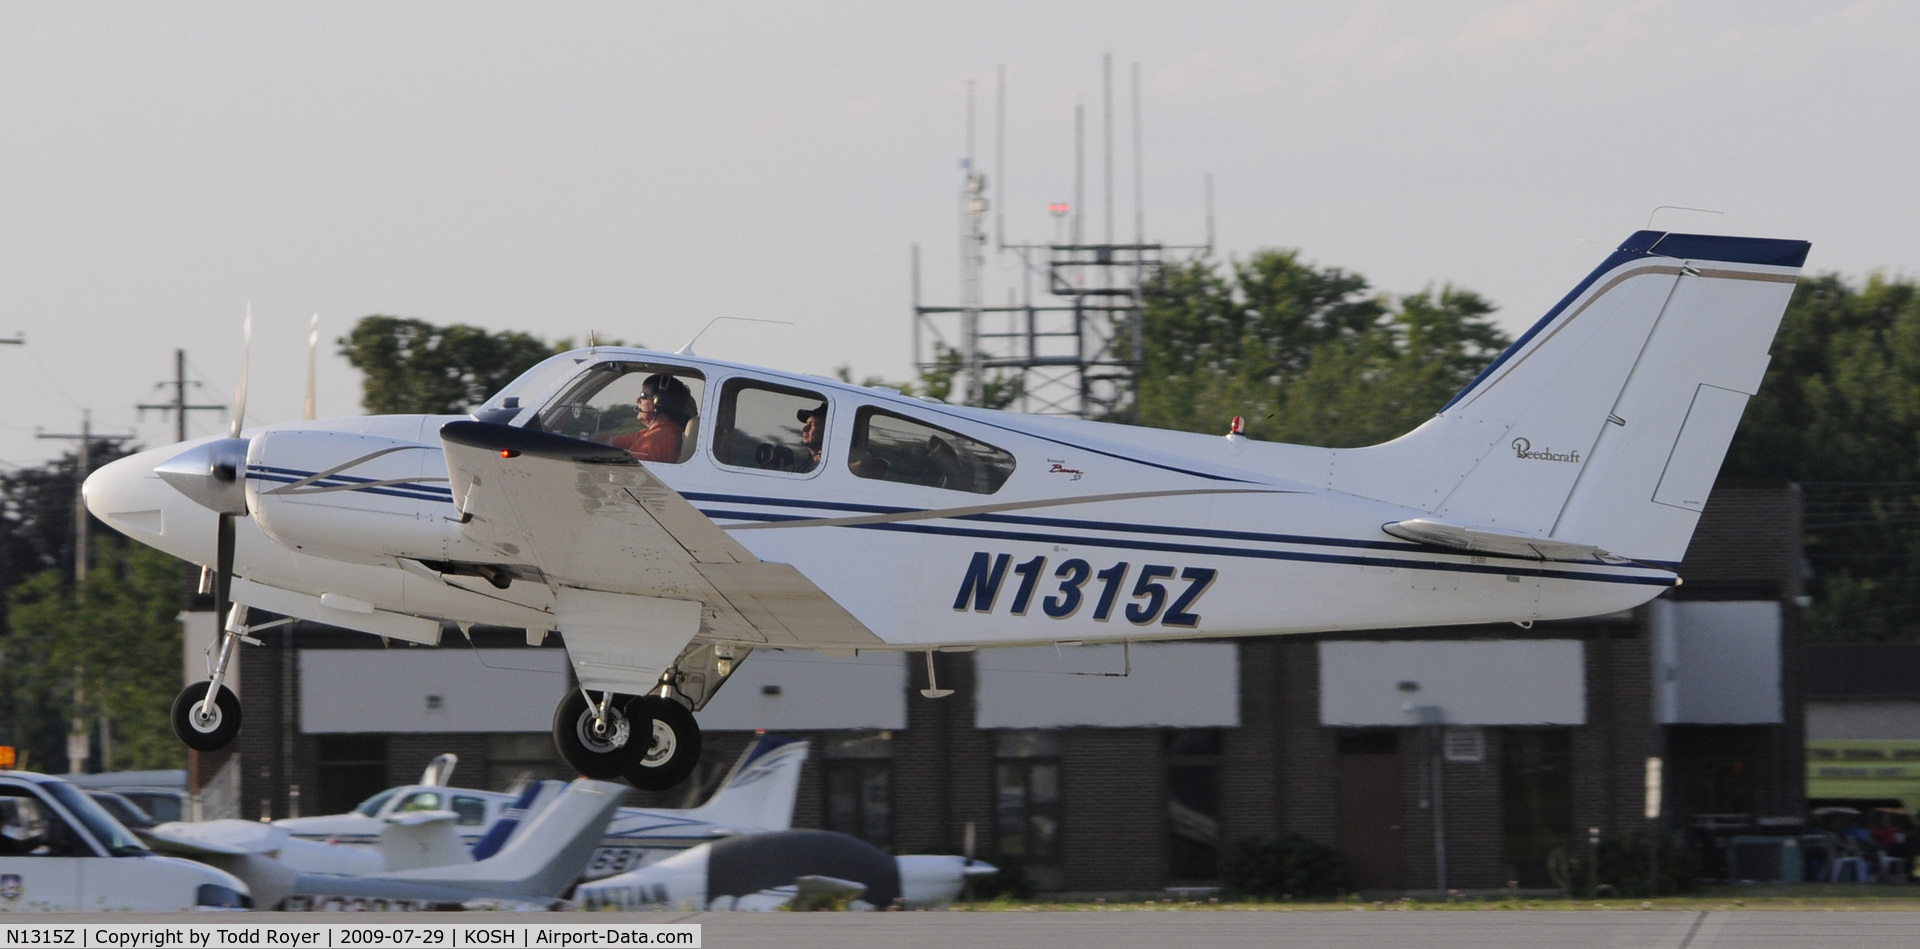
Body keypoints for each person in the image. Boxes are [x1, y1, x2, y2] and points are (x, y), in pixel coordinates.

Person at [613, 374, 696, 463]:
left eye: (643, 396)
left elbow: (628, 471)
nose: (637, 400)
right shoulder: (657, 432)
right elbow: (613, 441)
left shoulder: (657, 439)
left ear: (661, 401)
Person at [795, 404, 825, 472]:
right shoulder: (808, 462)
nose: (804, 429)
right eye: (806, 424)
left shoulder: (827, 466)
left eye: (813, 425)